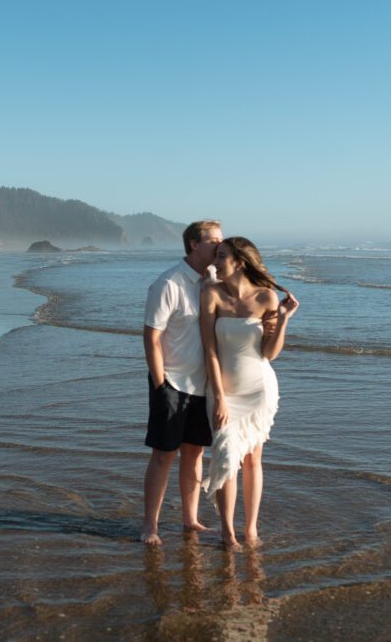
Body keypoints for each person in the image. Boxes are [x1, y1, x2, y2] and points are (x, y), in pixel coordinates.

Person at [199, 236, 299, 550]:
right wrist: (220, 397)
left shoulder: (267, 298)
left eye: (221, 256)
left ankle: (251, 529)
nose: (215, 262)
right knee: (227, 457)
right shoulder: (211, 294)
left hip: (260, 389)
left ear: (240, 262)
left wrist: (281, 322)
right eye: (215, 256)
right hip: (224, 392)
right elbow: (210, 351)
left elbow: (269, 353)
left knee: (253, 459)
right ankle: (228, 533)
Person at [141, 220, 223, 545]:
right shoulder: (168, 283)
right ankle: (150, 525)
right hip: (172, 382)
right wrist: (160, 386)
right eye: (214, 240)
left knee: (195, 453)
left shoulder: (214, 282)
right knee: (164, 455)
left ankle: (191, 520)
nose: (221, 245)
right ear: (194, 244)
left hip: (202, 385)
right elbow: (151, 337)